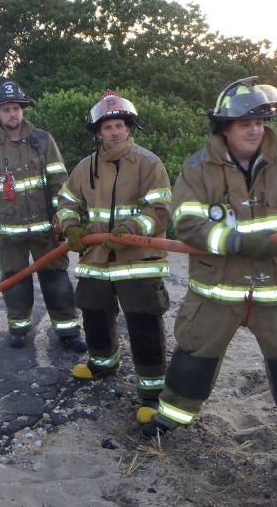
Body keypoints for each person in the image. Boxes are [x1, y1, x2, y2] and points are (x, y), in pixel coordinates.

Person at [141, 77, 277, 495]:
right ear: (224, 127)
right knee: (193, 358)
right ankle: (173, 415)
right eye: (245, 122)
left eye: (260, 120)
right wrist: (237, 242)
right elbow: (186, 222)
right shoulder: (195, 168)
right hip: (216, 291)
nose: (255, 129)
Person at [57, 90, 172, 420]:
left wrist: (133, 227)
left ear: (129, 128)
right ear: (98, 132)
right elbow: (66, 203)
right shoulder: (84, 167)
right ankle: (102, 363)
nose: (114, 132)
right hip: (95, 259)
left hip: (137, 260)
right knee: (94, 311)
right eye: (107, 128)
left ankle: (151, 392)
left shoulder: (148, 163)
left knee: (143, 321)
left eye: (119, 125)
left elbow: (161, 207)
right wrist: (71, 228)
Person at [0, 80, 86, 351]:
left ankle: (68, 330)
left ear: (23, 111)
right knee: (14, 279)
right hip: (7, 229)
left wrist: (63, 213)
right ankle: (19, 329)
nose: (12, 114)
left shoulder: (43, 141)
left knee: (55, 278)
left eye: (16, 108)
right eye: (6, 109)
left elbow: (60, 179)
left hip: (45, 227)